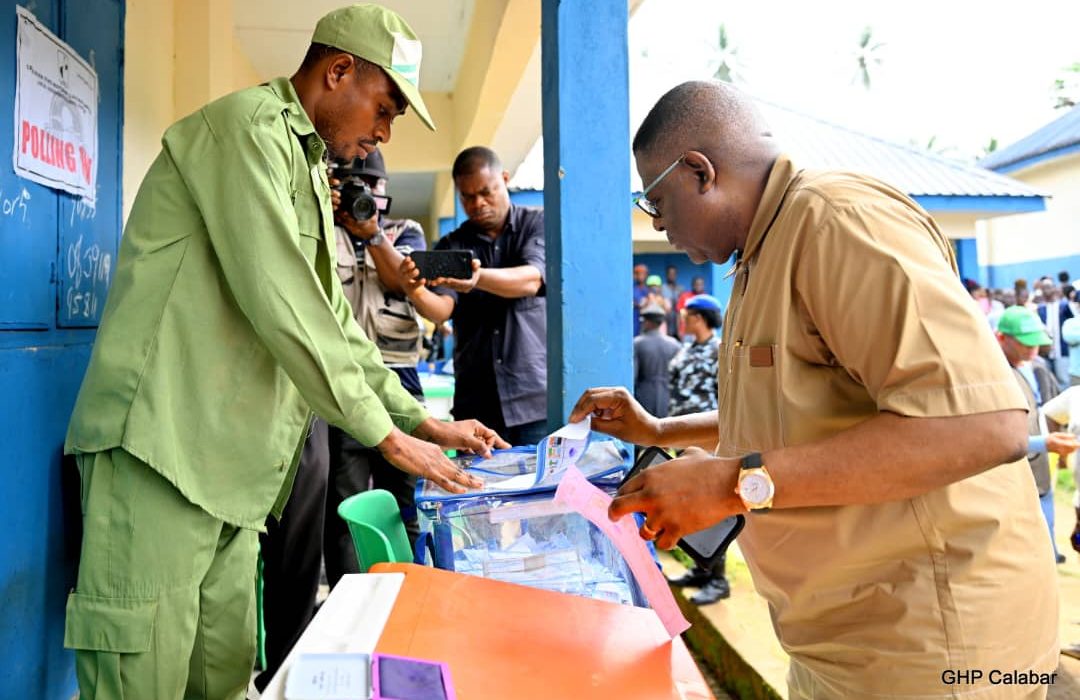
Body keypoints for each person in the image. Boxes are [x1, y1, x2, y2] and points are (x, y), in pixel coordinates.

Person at [61, 7, 507, 699]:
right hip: (160, 452)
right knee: (140, 682)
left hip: (229, 477)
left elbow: (331, 319)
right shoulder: (245, 132)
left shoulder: (302, 163)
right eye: (384, 108)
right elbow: (284, 304)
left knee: (226, 677)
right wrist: (387, 437)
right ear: (338, 72)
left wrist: (422, 421)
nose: (383, 133)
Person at [571, 80, 1057, 699]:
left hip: (933, 649)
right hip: (851, 642)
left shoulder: (837, 222)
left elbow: (985, 425)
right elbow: (799, 415)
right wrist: (660, 432)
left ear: (700, 172)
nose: (660, 227)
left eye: (657, 203)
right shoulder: (759, 255)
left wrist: (728, 483)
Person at [325, 148, 431, 586]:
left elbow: (402, 282)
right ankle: (350, 604)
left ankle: (409, 595)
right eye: (354, 184)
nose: (363, 193)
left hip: (399, 380)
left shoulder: (406, 233)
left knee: (404, 502)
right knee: (346, 508)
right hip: (342, 383)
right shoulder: (322, 230)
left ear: (386, 190)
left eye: (372, 185)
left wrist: (372, 235)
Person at [399, 146, 548, 446]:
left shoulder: (537, 224)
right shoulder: (451, 244)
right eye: (467, 197)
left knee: (543, 490)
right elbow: (441, 309)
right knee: (479, 490)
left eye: (486, 192)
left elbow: (531, 280)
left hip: (534, 400)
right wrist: (414, 291)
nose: (478, 203)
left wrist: (476, 279)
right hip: (478, 404)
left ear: (504, 179)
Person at [996, 306, 1078, 563]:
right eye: (1025, 344)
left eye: (1036, 343)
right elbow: (993, 438)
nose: (1032, 350)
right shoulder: (994, 375)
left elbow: (1044, 412)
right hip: (1014, 470)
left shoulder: (1034, 367)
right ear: (1001, 338)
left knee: (1046, 528)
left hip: (1040, 467)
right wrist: (1044, 443)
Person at [665, 294, 729, 604]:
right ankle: (702, 568)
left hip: (709, 440)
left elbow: (729, 398)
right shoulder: (685, 348)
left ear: (700, 319)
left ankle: (719, 579)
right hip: (683, 437)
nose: (683, 319)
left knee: (713, 507)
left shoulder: (720, 352)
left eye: (687, 315)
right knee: (690, 504)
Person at [633, 304, 681, 418]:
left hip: (643, 395)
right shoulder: (675, 345)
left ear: (647, 322)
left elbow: (634, 375)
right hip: (667, 397)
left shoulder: (637, 343)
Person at [1037, 277, 1074, 388]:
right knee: (1048, 383)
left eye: (1048, 287)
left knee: (1063, 382)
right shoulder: (1040, 308)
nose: (1045, 290)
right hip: (1046, 353)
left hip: (1061, 351)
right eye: (1043, 288)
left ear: (1054, 288)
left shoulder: (1064, 306)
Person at [661, 265, 684, 338]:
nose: (672, 276)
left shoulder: (680, 288)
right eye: (670, 274)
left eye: (673, 274)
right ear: (667, 275)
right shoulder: (662, 288)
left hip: (677, 321)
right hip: (666, 320)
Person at [632, 263, 650, 335]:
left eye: (643, 273)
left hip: (646, 320)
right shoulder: (631, 289)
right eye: (638, 273)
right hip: (635, 318)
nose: (641, 276)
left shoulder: (649, 289)